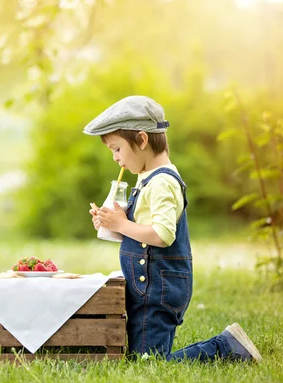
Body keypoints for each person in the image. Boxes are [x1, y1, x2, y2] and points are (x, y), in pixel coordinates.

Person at [85, 96, 262, 362]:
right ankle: (223, 346)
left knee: (149, 363)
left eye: (117, 149)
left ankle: (226, 346)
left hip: (158, 290)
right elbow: (143, 231)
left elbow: (162, 235)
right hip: (146, 287)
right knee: (137, 357)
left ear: (142, 140)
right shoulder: (146, 180)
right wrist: (114, 224)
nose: (115, 158)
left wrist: (122, 223)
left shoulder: (162, 182)